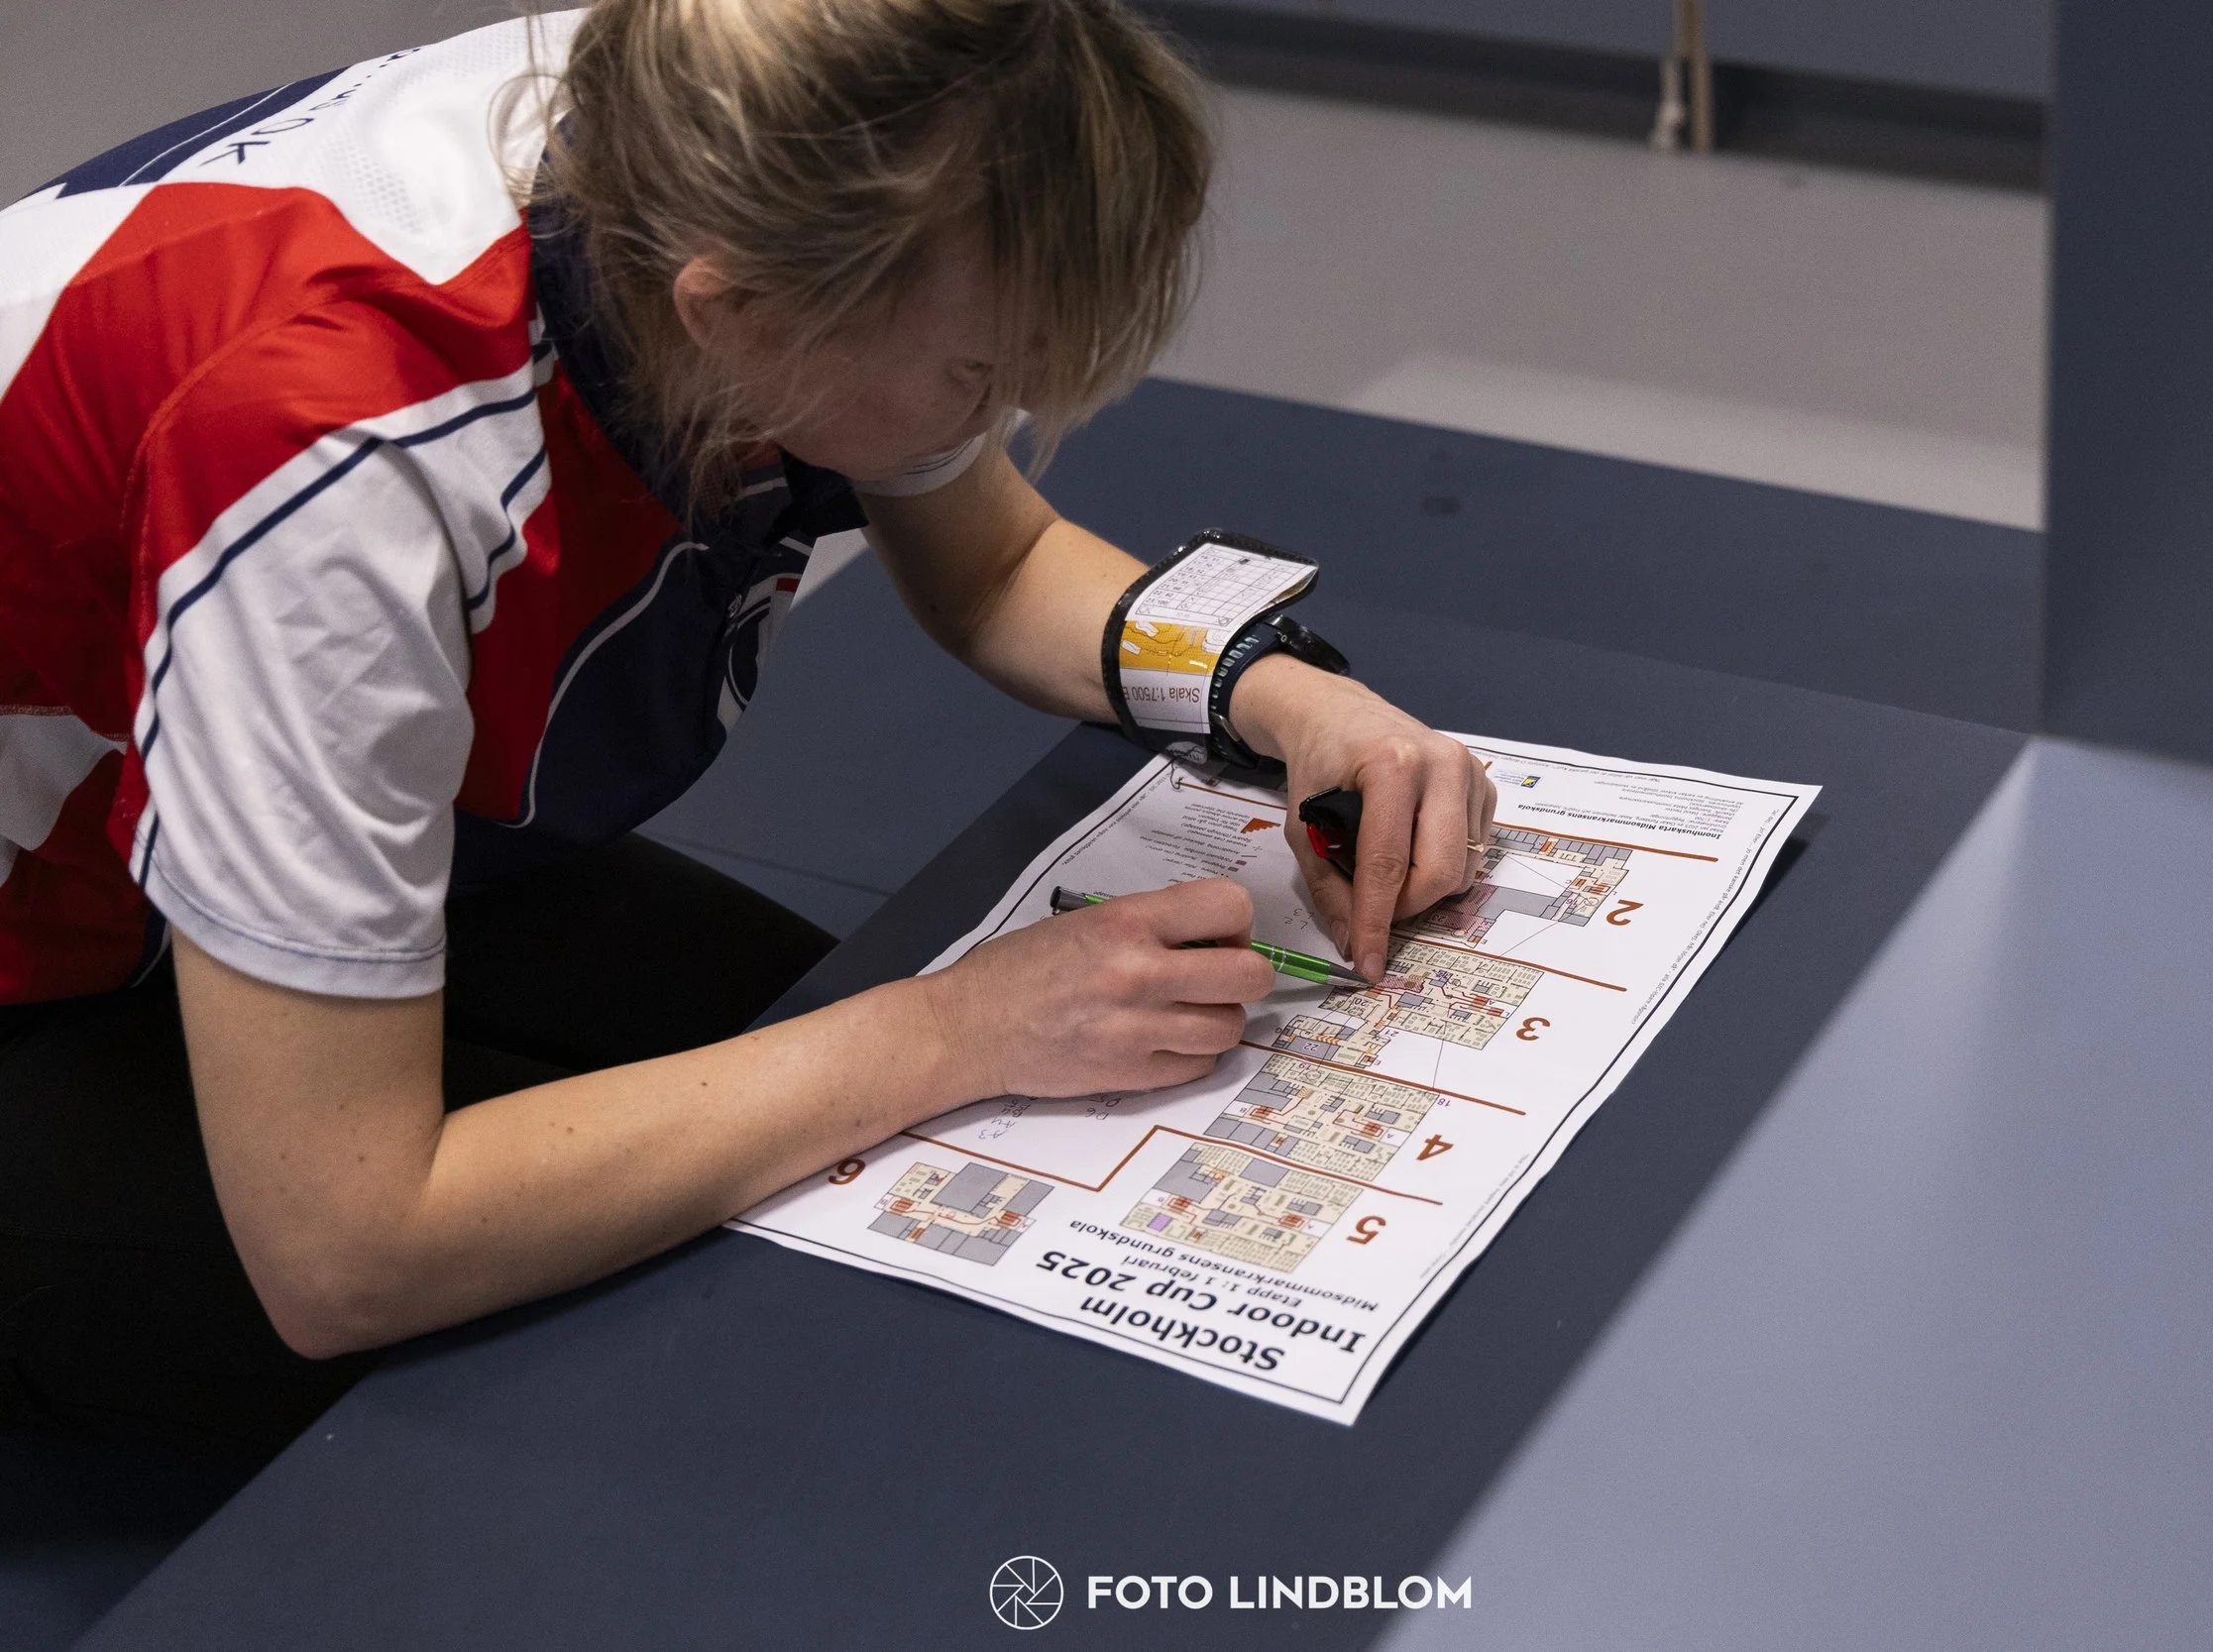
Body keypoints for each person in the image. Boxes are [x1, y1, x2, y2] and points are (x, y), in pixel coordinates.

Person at [0, 0, 1493, 1455]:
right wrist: (946, 1028)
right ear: (731, 313)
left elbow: (1000, 563)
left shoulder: (751, 115)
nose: (1026, 394)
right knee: (626, 1358)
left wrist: (1281, 691)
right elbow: (347, 1245)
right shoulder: (340, 474)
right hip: (44, 956)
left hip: (219, 804)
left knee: (837, 1113)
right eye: (980, 368)